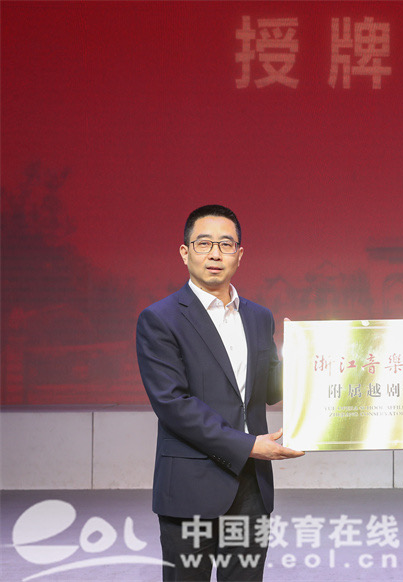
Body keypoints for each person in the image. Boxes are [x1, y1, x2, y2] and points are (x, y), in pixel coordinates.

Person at [136, 204, 304, 581]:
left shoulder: (259, 317)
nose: (215, 254)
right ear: (185, 252)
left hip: (251, 488)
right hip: (190, 486)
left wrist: (306, 356)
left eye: (226, 244)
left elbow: (270, 390)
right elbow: (173, 404)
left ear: (239, 255)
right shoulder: (160, 319)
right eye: (204, 243)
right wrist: (248, 446)